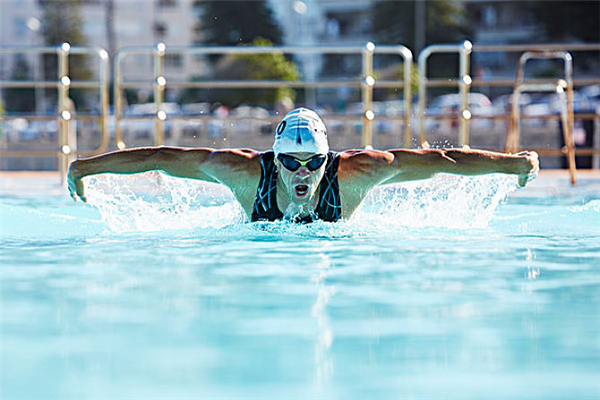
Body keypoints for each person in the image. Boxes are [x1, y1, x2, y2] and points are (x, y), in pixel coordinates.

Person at [68, 107, 539, 223]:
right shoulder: (245, 170)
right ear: (273, 157)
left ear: (326, 158)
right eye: (289, 163)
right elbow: (160, 158)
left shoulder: (358, 170)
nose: (300, 174)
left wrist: (513, 164)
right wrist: (85, 167)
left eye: (311, 163)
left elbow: (442, 161)